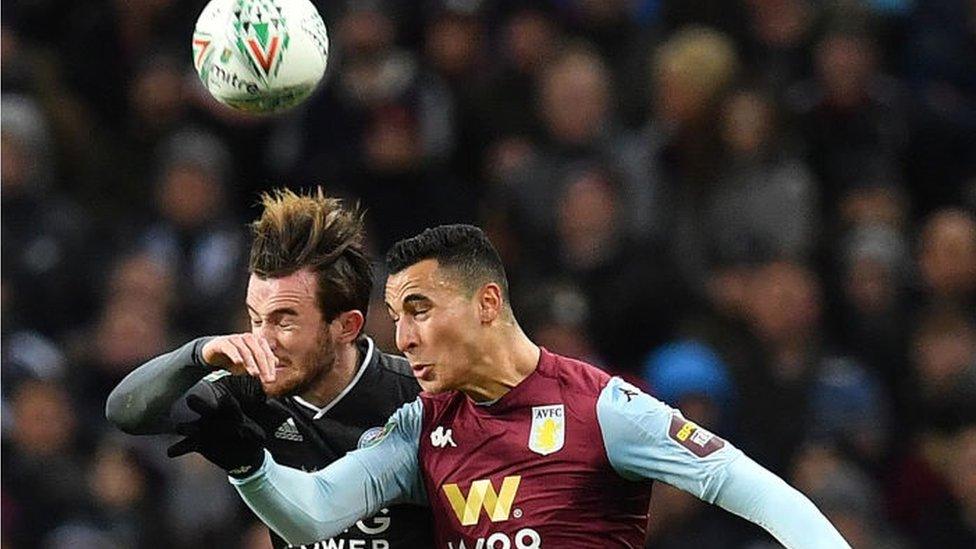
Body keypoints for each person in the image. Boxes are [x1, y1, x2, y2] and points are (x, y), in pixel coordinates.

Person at [173, 224, 850, 548]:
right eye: (397, 315)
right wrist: (248, 463)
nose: (402, 337)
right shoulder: (421, 425)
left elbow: (757, 490)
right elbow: (315, 512)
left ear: (487, 304)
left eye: (420, 310)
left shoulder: (602, 408)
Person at [104, 188, 433, 548]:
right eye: (255, 318)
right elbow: (126, 412)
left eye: (284, 322)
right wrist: (198, 353)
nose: (264, 340)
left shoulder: (421, 399)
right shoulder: (247, 390)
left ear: (347, 326)